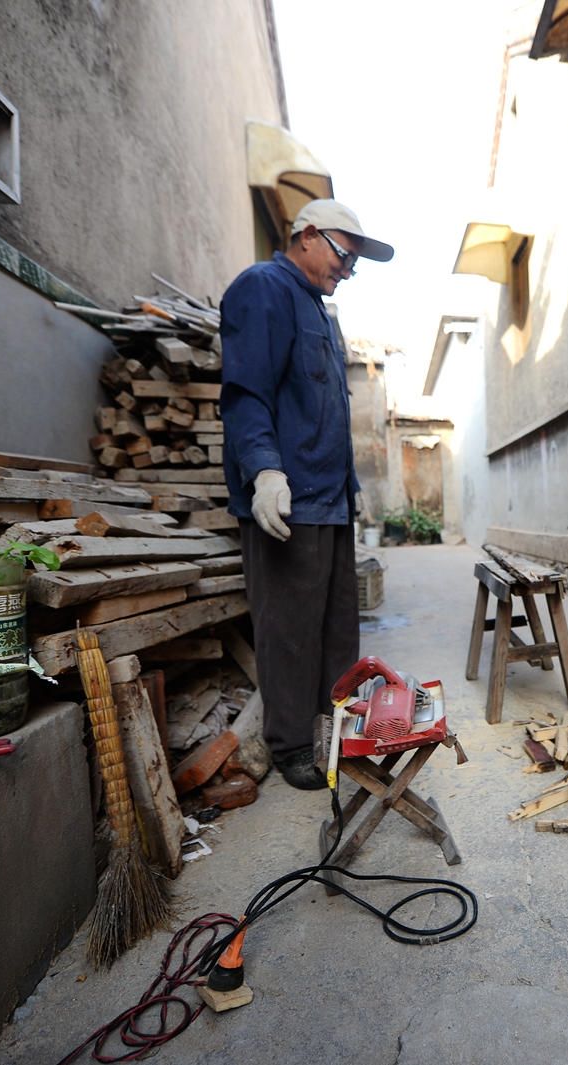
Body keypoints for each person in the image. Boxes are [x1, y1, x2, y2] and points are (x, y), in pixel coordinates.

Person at [220, 198, 394, 789]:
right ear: (308, 235)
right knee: (289, 629)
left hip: (328, 499)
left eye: (354, 265)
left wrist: (351, 488)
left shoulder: (321, 312)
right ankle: (292, 743)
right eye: (345, 256)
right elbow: (247, 394)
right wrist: (265, 471)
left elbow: (328, 410)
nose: (348, 272)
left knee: (336, 626)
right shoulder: (263, 288)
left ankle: (336, 726)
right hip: (288, 501)